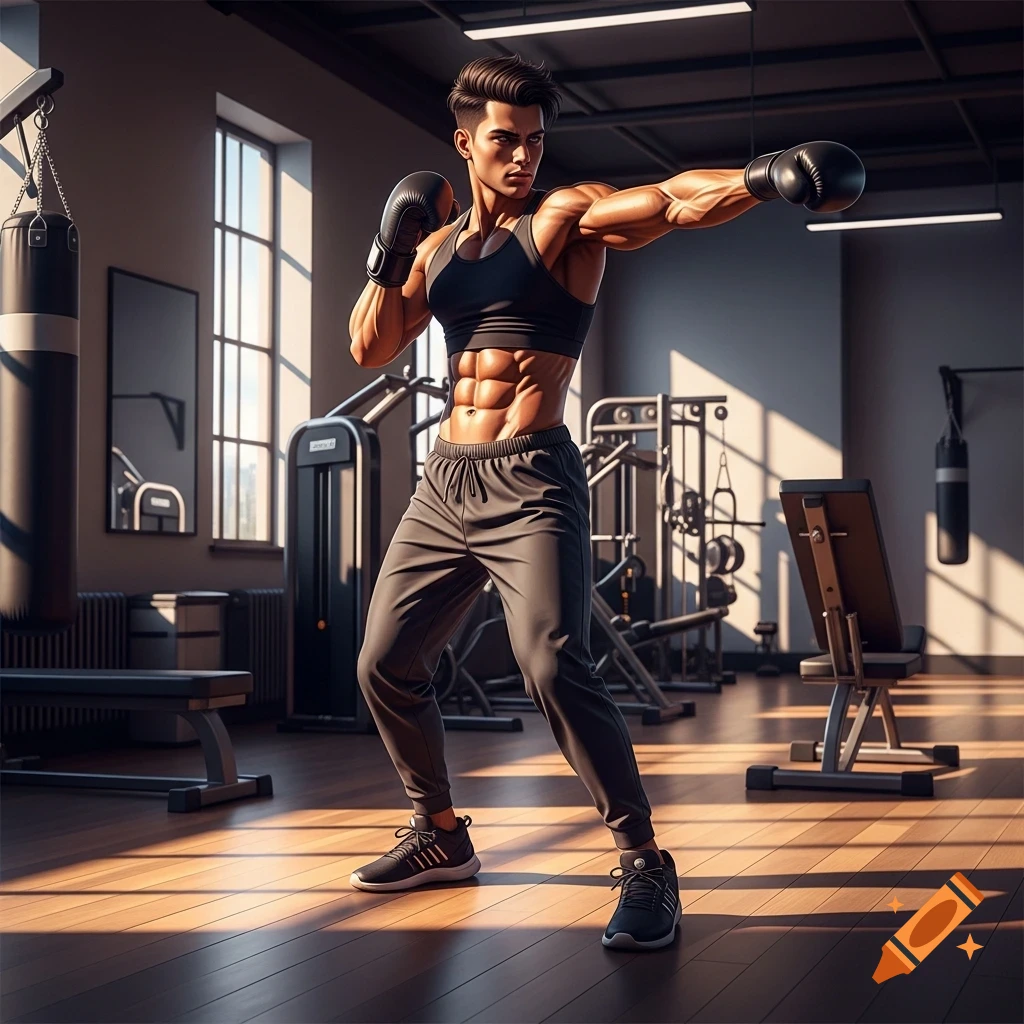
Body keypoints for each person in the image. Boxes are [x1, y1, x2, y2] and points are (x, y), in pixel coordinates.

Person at [348, 54, 864, 950]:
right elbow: (368, 345)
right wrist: (390, 252)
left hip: (530, 478)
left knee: (552, 663)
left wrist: (762, 177)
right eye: (505, 143)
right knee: (382, 663)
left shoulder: (560, 221)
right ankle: (438, 833)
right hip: (444, 482)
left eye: (535, 142)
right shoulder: (434, 251)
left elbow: (669, 200)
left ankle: (643, 863)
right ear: (464, 143)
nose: (524, 159)